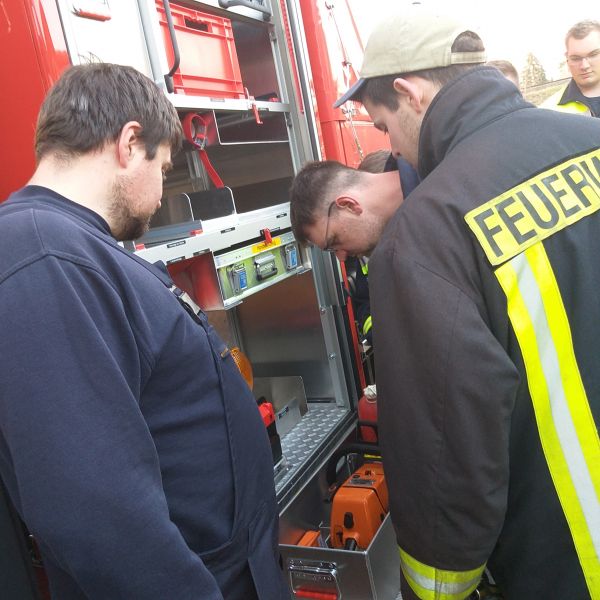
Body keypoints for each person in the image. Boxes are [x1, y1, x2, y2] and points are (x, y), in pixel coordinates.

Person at [333, 5, 600, 600]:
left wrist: (434, 589)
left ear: (410, 93)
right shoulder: (591, 139)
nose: (395, 149)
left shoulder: (428, 232)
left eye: (384, 127)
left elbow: (446, 457)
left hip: (571, 558)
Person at [0, 63, 287, 600]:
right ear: (130, 143)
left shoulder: (73, 248)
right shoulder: (43, 257)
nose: (159, 195)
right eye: (164, 166)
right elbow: (94, 510)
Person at [544, 20, 600, 116]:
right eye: (576, 58)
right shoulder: (549, 111)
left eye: (593, 55)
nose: (585, 66)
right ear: (567, 59)